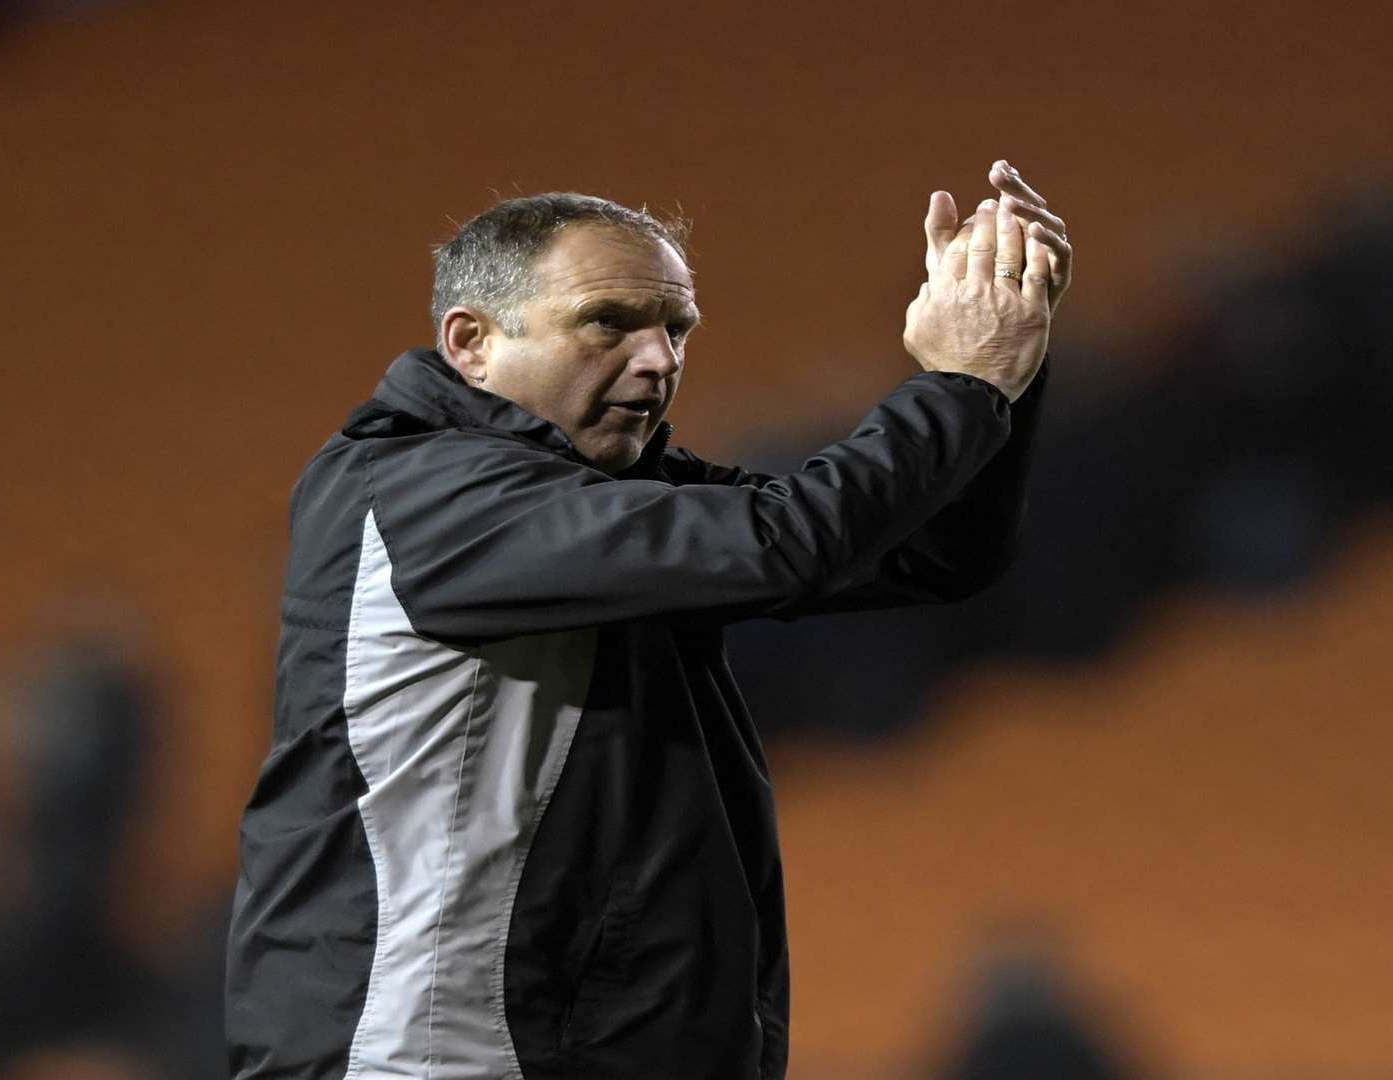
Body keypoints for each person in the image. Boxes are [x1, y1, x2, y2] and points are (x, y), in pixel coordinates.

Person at [227, 161, 1073, 1080]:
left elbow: (931, 554)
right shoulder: (422, 488)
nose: (659, 360)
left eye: (676, 328)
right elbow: (785, 541)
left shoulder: (609, 494)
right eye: (608, 323)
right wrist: (960, 386)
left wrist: (1005, 374)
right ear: (470, 343)